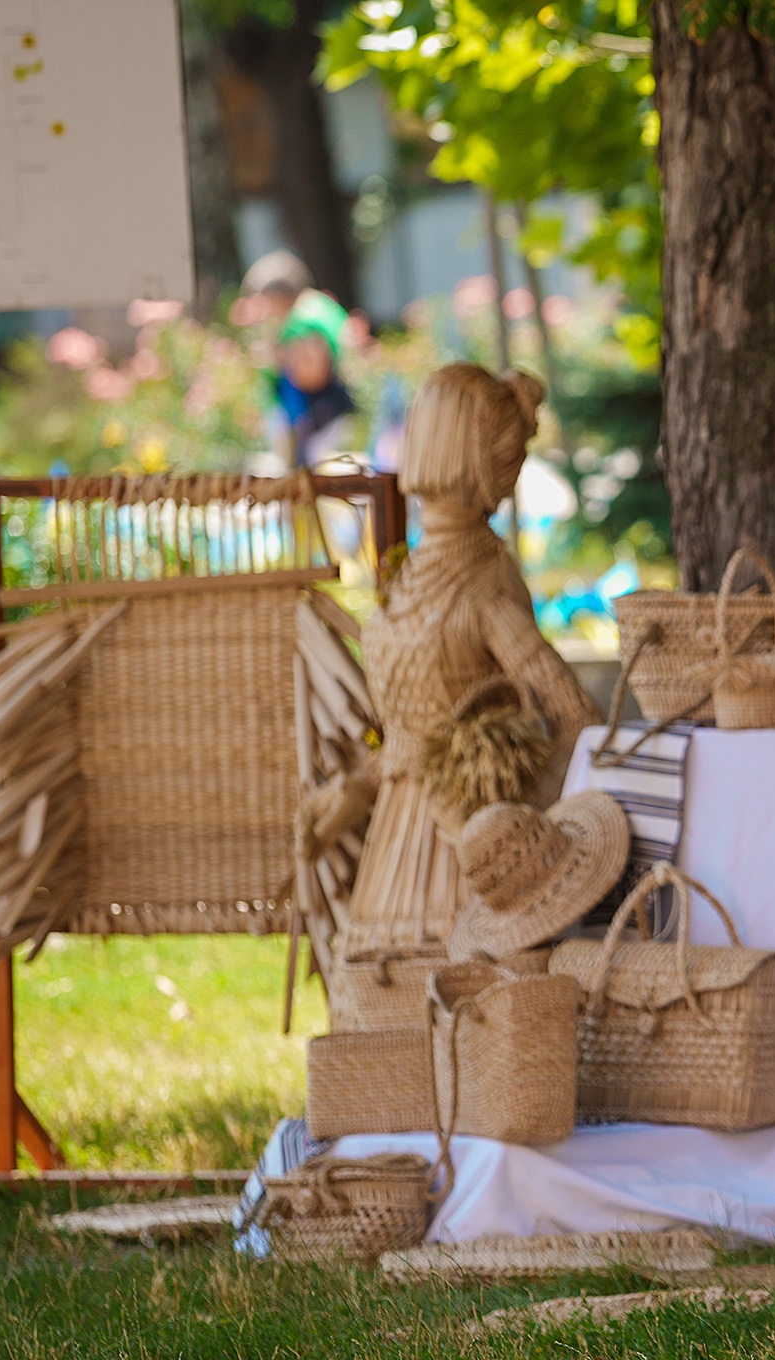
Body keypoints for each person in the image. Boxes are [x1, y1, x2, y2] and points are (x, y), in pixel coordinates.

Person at [298, 363, 602, 988]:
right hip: (398, 850)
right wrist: (357, 786)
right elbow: (416, 737)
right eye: (509, 457)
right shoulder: (408, 576)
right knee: (391, 1006)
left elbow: (573, 714)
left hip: (473, 846)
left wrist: (559, 826)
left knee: (467, 994)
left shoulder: (483, 581)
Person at [243, 250, 357, 467]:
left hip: (320, 415)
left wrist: (279, 359)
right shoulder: (316, 307)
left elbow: (314, 371)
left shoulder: (305, 318)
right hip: (324, 413)